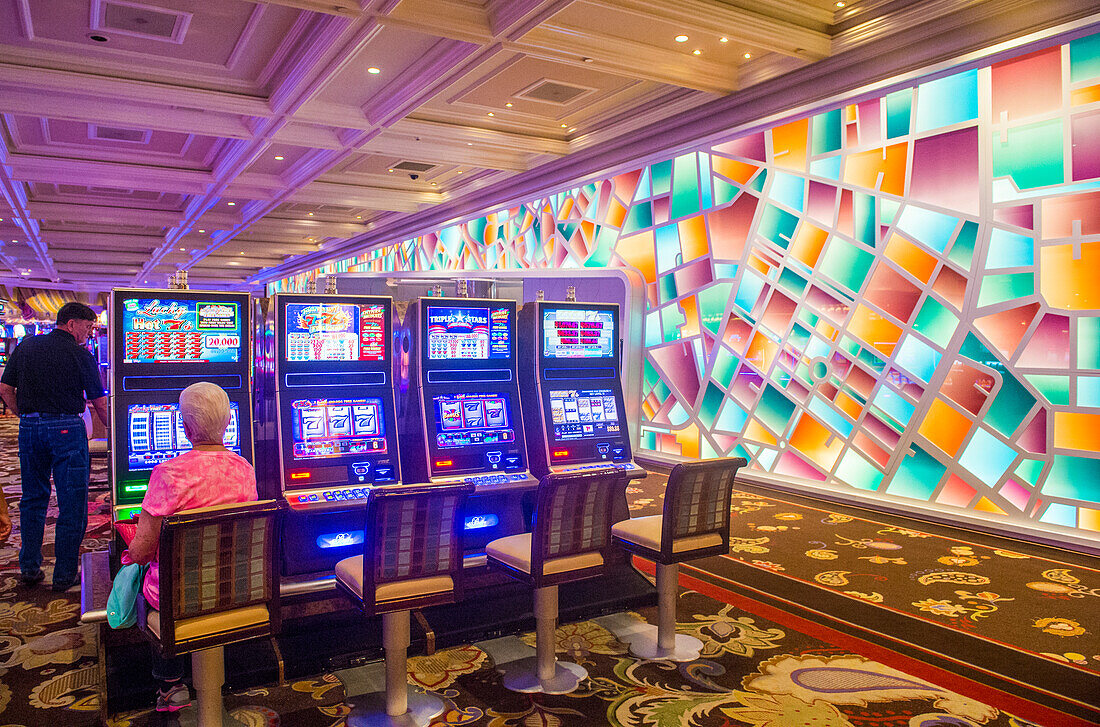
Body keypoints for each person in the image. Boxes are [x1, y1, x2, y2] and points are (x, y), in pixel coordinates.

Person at [128, 382, 256, 713]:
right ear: (229, 422)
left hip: (181, 596)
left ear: (184, 428)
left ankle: (171, 684)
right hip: (238, 587)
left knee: (138, 574)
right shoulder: (245, 470)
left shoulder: (167, 474)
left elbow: (142, 551)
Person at [0, 302, 109, 591]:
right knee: (72, 503)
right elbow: (99, 402)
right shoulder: (80, 354)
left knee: (33, 499)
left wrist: (23, 414)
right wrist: (113, 429)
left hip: (30, 429)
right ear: (71, 324)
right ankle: (63, 575)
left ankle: (29, 568)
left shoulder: (26, 347)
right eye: (87, 326)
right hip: (66, 429)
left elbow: (4, 389)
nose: (89, 332)